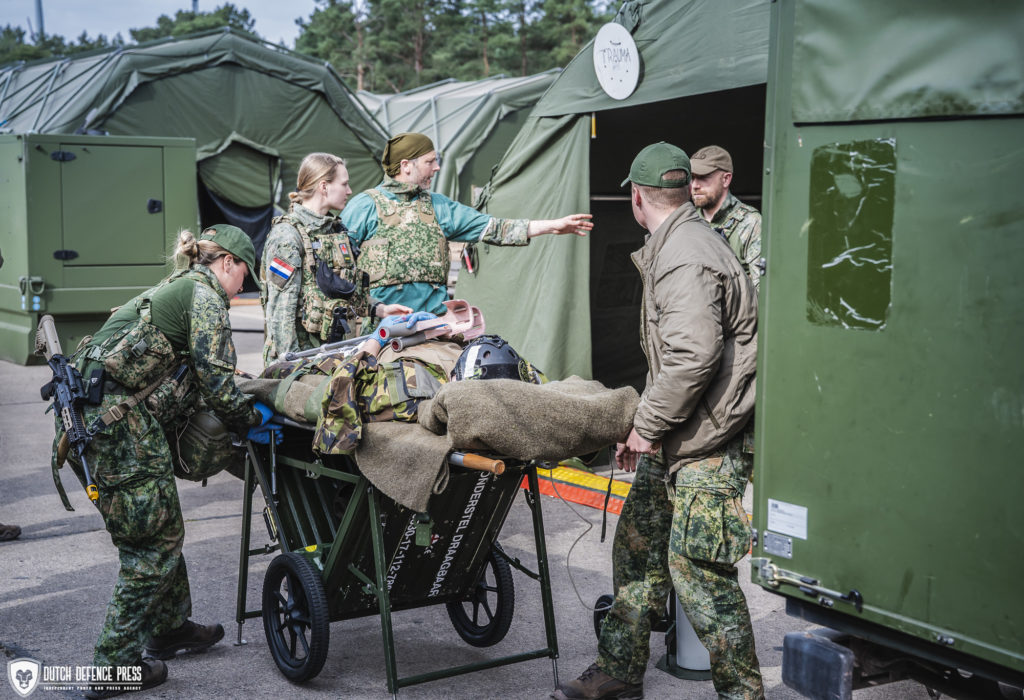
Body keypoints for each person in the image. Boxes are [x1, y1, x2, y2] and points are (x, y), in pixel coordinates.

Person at [554, 143, 763, 700]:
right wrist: (644, 428)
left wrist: (645, 428)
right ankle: (620, 672)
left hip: (709, 440)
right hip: (681, 431)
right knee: (638, 550)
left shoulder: (685, 255)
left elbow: (694, 357)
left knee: (700, 577)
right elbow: (674, 360)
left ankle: (743, 696)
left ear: (637, 195)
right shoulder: (679, 242)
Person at [52, 225, 279, 699]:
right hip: (115, 429)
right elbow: (217, 383)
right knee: (149, 552)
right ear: (227, 264)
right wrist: (246, 419)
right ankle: (113, 666)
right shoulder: (206, 297)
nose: (245, 286)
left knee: (163, 528)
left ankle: (170, 628)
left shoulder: (177, 287)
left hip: (99, 423)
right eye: (245, 275)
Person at [341, 132, 594, 314]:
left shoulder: (439, 207)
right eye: (430, 161)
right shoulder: (363, 207)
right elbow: (338, 270)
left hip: (433, 328)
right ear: (406, 166)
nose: (437, 167)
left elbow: (493, 228)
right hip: (381, 331)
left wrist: (551, 226)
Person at [261, 153, 413, 365]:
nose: (349, 191)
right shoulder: (287, 236)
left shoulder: (335, 231)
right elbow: (280, 312)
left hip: (332, 355)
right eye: (344, 184)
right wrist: (291, 366)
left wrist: (380, 309)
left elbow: (342, 290)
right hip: (302, 360)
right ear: (324, 187)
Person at [690, 145, 762, 291]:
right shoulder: (687, 220)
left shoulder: (750, 223)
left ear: (726, 179)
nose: (695, 185)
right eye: (692, 177)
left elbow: (761, 292)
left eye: (703, 177)